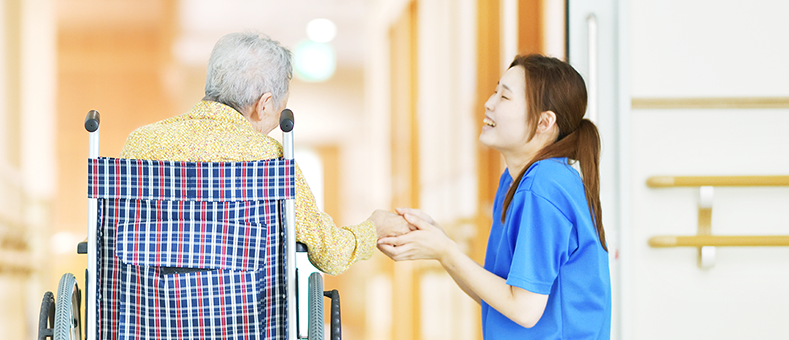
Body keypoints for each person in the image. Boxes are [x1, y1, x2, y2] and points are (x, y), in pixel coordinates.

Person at [120, 31, 408, 275]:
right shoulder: (269, 160)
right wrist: (375, 227)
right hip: (241, 319)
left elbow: (108, 236)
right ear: (265, 105)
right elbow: (331, 254)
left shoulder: (141, 144)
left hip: (147, 316)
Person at [378, 54, 611, 339]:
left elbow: (524, 310)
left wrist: (445, 250)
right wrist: (441, 244)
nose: (488, 103)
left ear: (543, 122)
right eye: (495, 90)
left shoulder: (544, 185)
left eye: (505, 96)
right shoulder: (517, 181)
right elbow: (500, 298)